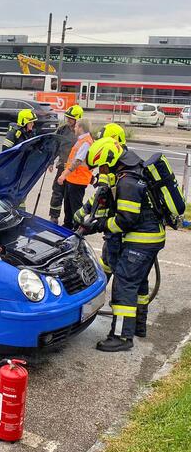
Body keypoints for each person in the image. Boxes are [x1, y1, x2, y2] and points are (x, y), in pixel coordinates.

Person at [84, 137, 165, 352]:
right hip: (151, 238)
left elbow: (126, 220)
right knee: (138, 284)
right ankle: (138, 326)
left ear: (109, 160)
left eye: (101, 166)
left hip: (141, 240)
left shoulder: (127, 181)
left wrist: (100, 225)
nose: (100, 171)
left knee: (124, 284)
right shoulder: (131, 172)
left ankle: (121, 336)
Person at [74, 123, 128, 277]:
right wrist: (85, 209)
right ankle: (102, 288)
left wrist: (97, 223)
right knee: (106, 263)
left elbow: (109, 196)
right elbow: (102, 193)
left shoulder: (121, 167)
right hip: (113, 228)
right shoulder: (113, 162)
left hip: (120, 229)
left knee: (119, 268)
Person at [57, 119, 93, 230]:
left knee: (75, 206)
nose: (74, 128)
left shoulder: (86, 142)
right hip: (72, 179)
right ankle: (67, 225)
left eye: (76, 126)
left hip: (78, 180)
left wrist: (64, 175)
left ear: (81, 128)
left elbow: (77, 161)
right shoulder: (81, 140)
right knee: (68, 205)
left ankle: (78, 228)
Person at [48, 105, 80, 224]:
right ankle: (54, 216)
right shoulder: (62, 129)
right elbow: (55, 145)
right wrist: (51, 161)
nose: (68, 120)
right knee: (57, 192)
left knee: (70, 196)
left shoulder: (82, 132)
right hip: (62, 167)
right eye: (67, 117)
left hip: (75, 170)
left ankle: (70, 220)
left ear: (78, 119)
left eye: (71, 118)